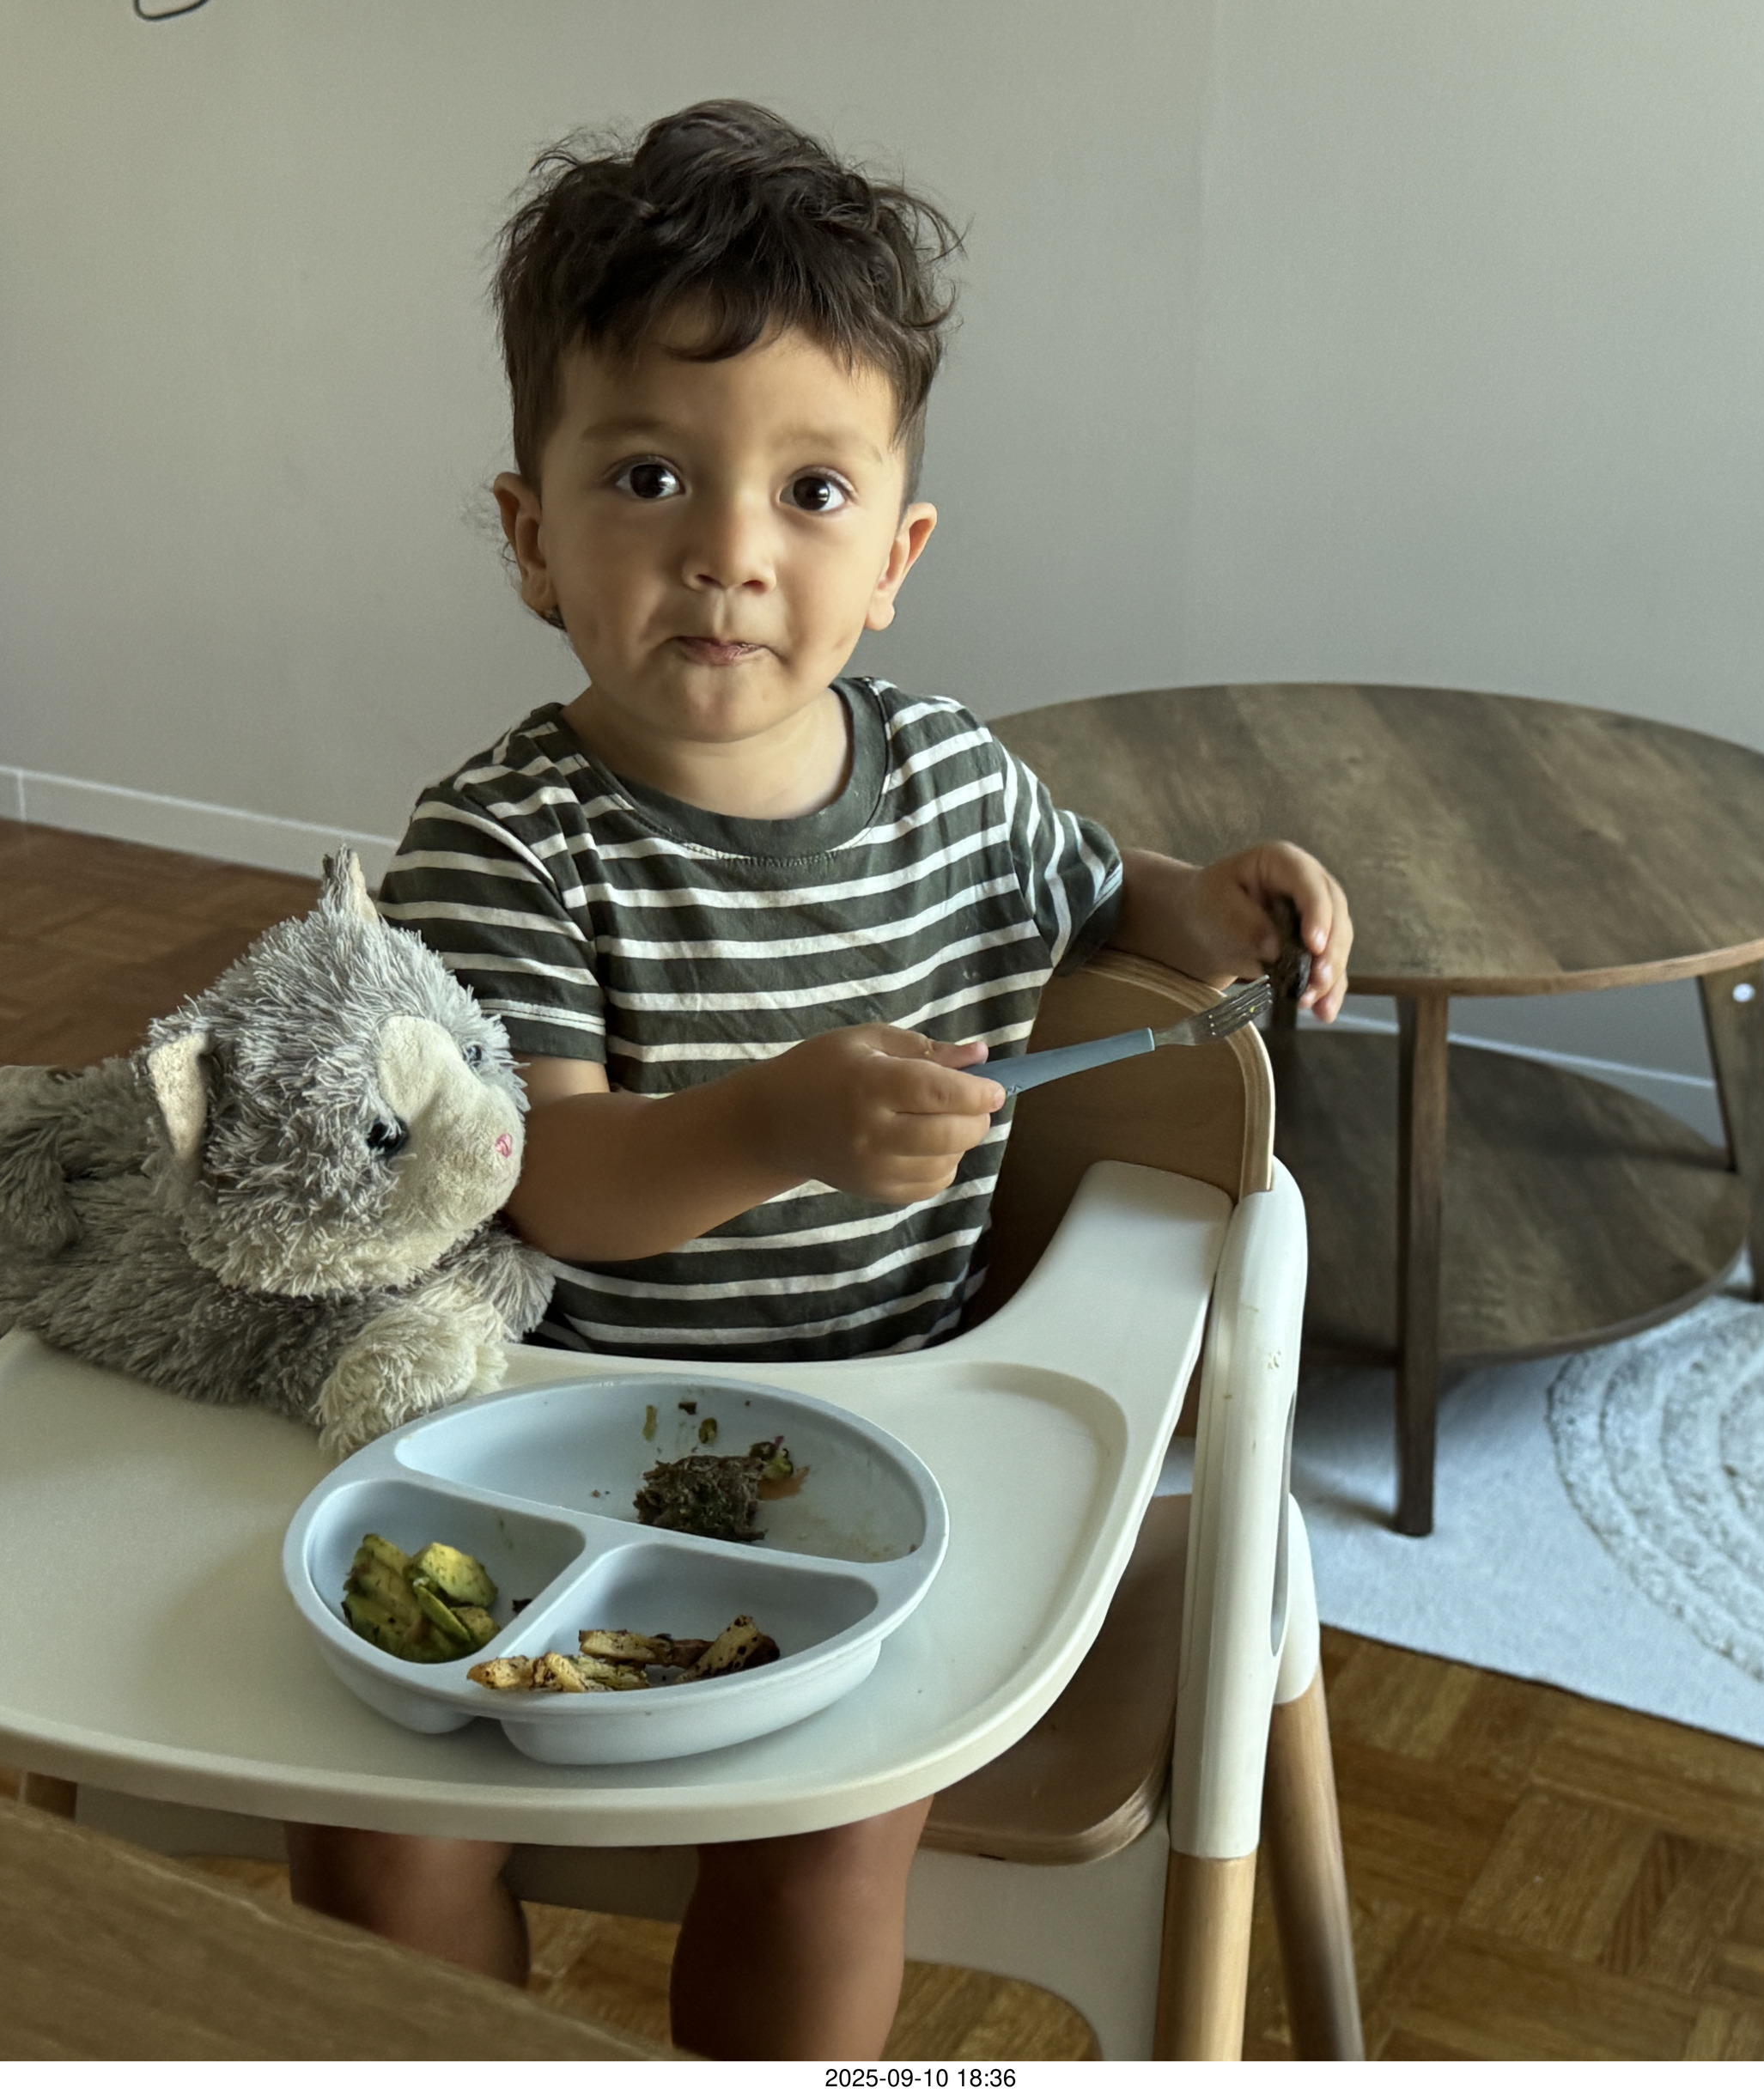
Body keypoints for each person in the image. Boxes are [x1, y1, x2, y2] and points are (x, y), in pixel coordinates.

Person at [289, 99, 1355, 2060]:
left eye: (808, 491)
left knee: (830, 1839)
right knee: (373, 1837)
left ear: (894, 556)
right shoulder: (501, 847)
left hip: (887, 1447)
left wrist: (1211, 904)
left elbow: (1103, 887)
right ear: (530, 536)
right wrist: (779, 1119)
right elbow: (551, 1179)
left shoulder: (954, 779)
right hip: (552, 1436)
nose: (726, 553)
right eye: (646, 476)